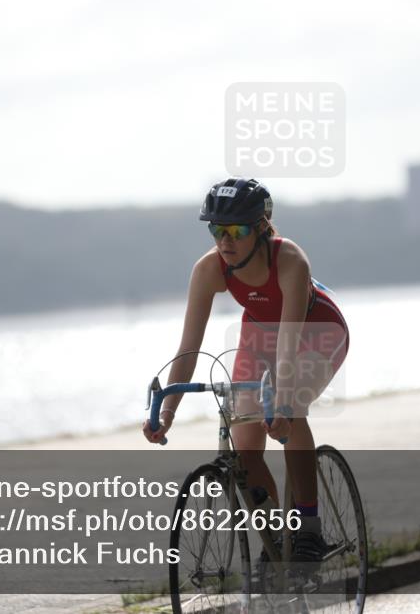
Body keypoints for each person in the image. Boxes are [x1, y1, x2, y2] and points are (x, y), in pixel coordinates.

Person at [142, 177, 350, 571]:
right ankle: (276, 542)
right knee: (245, 445)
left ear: (261, 227)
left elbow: (289, 347)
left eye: (236, 230)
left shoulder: (289, 260)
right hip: (258, 335)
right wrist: (166, 412)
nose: (225, 241)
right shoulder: (208, 269)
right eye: (217, 230)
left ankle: (308, 531)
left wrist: (282, 404)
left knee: (290, 407)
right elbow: (188, 350)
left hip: (315, 330)